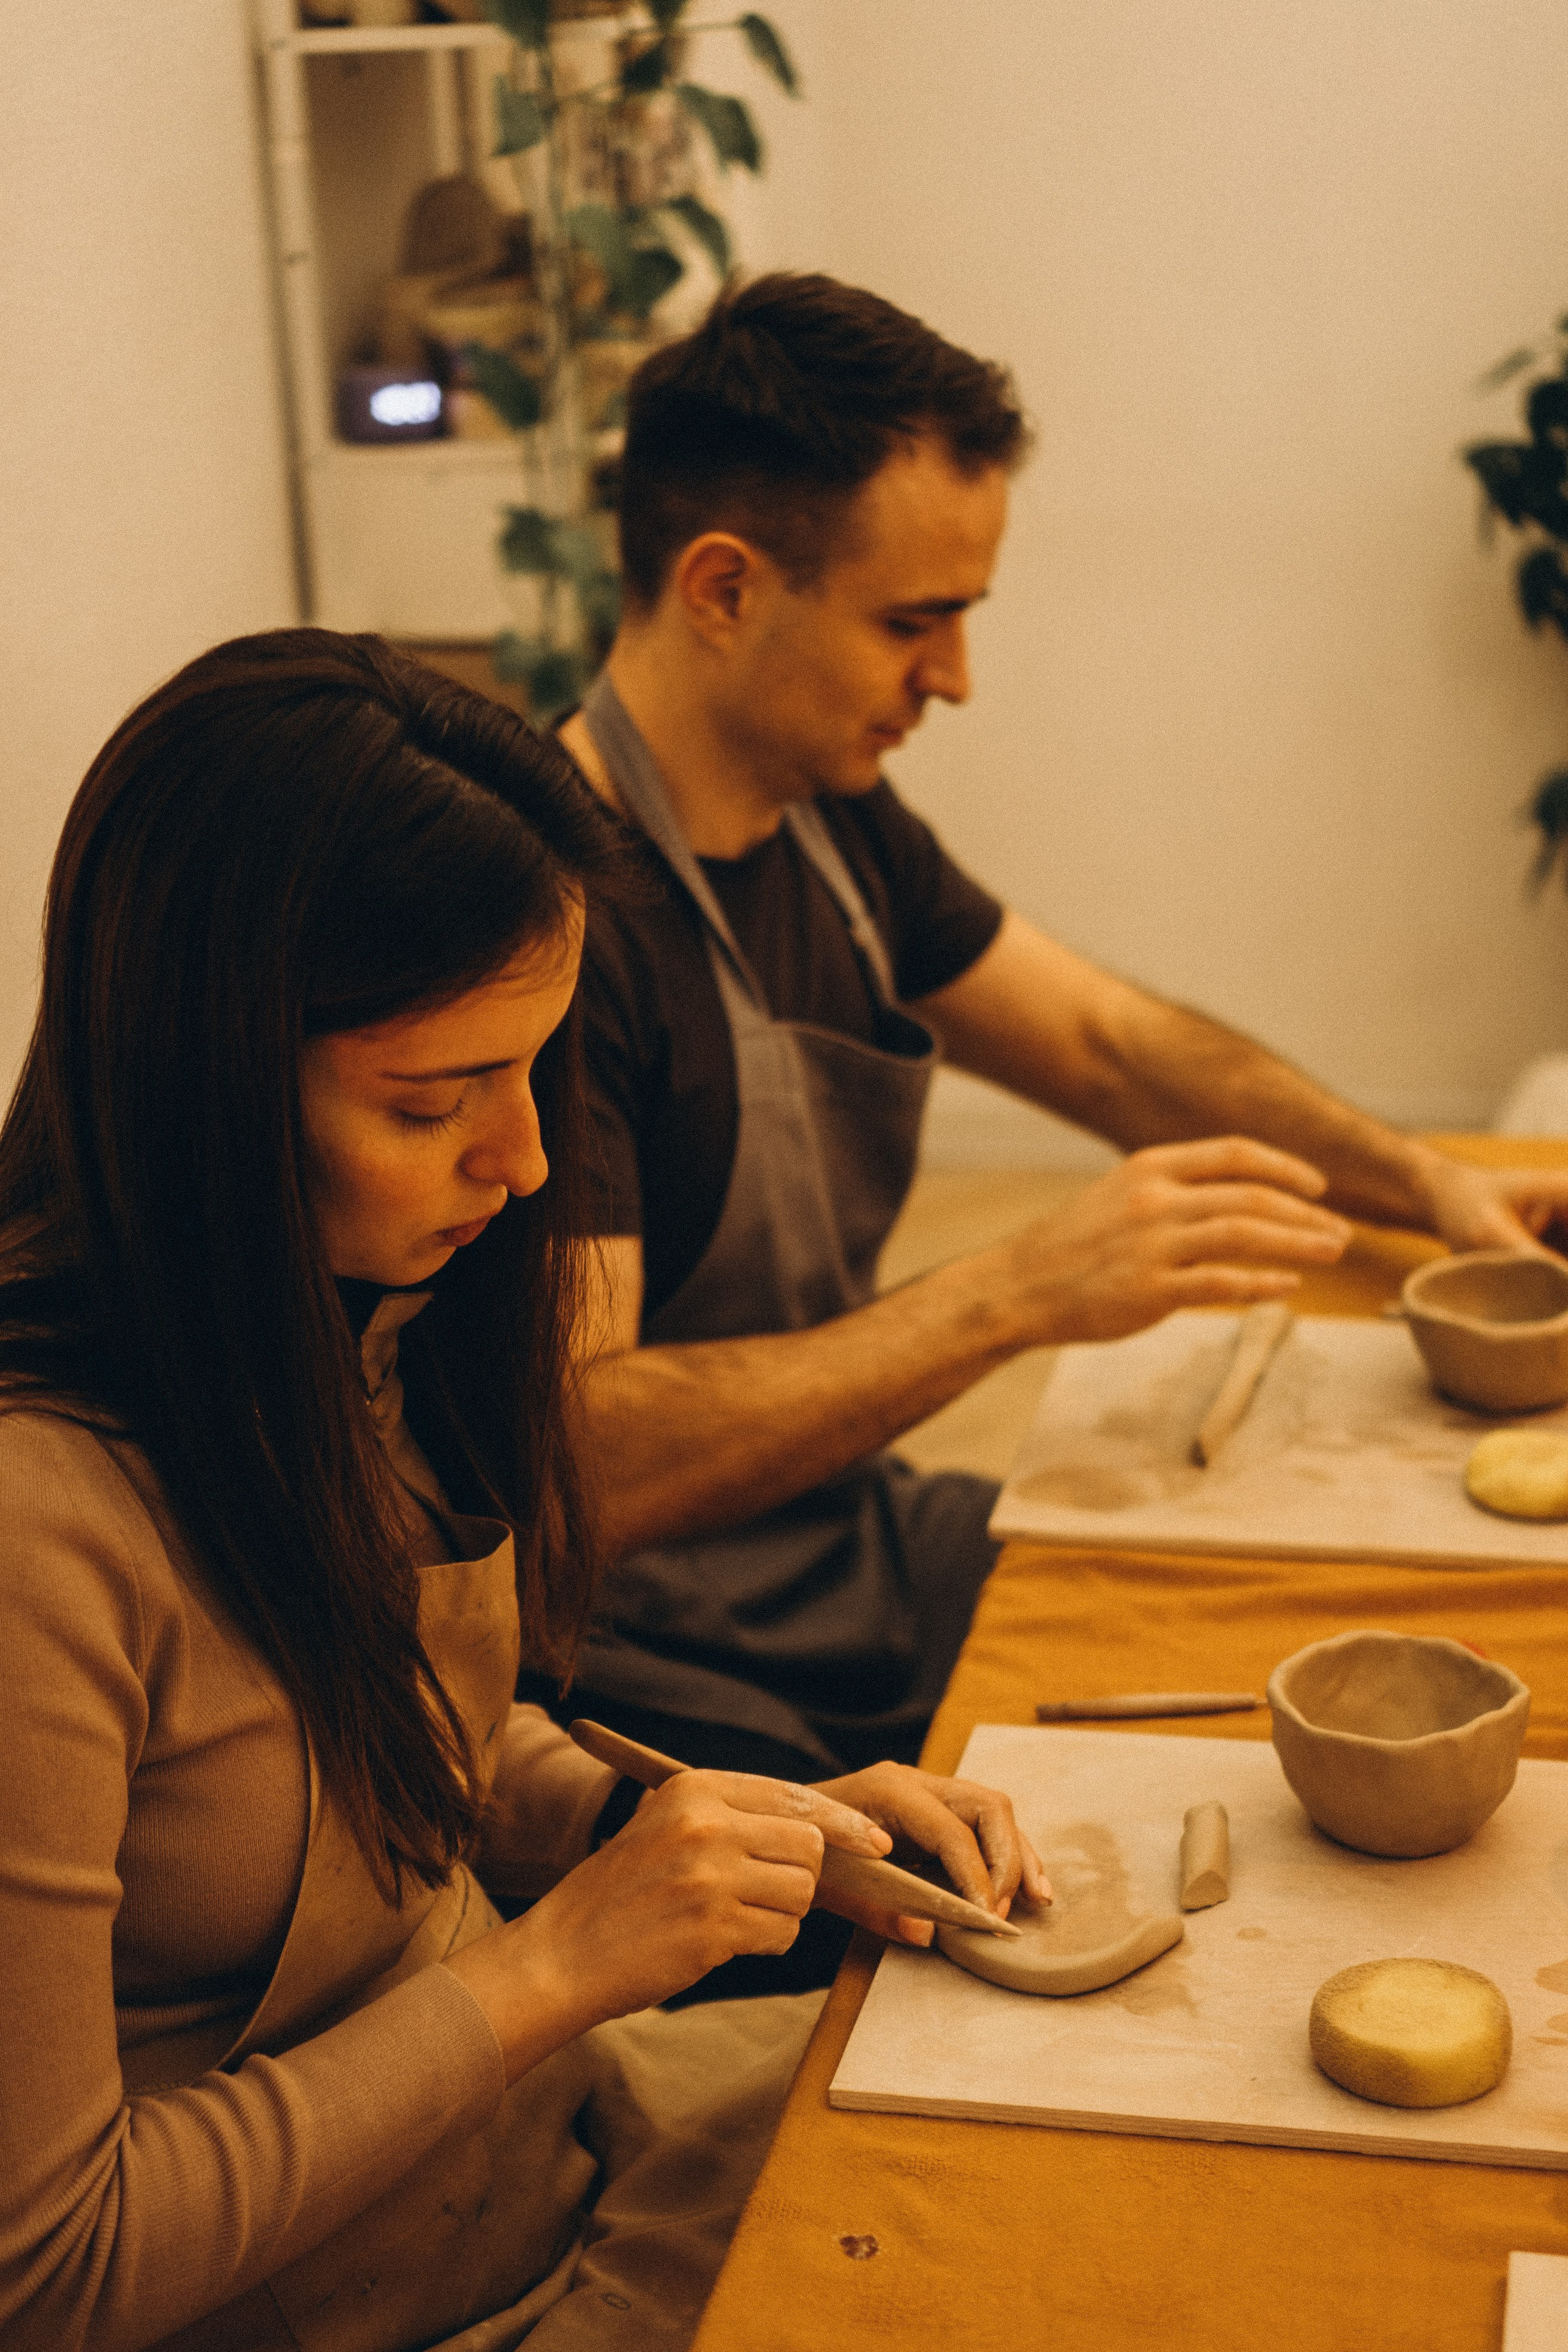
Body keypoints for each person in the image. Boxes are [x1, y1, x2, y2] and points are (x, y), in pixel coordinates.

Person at [0, 629, 1044, 2352]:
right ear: (204, 1078)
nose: (529, 1163)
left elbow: (406, 1751)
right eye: (436, 1102)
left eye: (536, 1071)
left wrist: (698, 1828)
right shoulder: (45, 1524)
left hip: (553, 2160)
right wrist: (558, 1964)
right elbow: (50, 2269)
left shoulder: (356, 1310)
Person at [549, 270, 1568, 1838]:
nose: (953, 676)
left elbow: (1104, 1046)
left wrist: (1424, 1177)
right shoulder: (546, 927)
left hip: (847, 1540)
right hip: (638, 1651)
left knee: (1251, 1636)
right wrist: (1020, 1293)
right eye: (914, 620)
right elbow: (579, 1463)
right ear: (722, 588)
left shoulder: (826, 821)